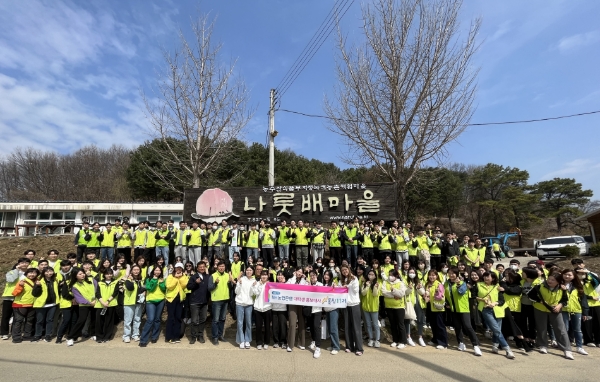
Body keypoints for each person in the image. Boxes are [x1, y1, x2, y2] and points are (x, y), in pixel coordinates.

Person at [527, 272, 573, 359]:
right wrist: (540, 302)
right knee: (542, 328)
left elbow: (565, 300)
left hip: (555, 310)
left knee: (560, 329)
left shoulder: (562, 288)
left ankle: (566, 349)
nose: (550, 281)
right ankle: (543, 345)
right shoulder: (539, 286)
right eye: (549, 279)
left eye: (553, 280)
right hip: (540, 309)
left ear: (558, 282)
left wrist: (559, 306)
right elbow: (530, 295)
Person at [473, 272, 515, 359]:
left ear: (493, 278)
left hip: (498, 310)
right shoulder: (478, 285)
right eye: (484, 276)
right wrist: (482, 299)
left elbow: (501, 300)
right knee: (496, 329)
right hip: (486, 310)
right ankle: (507, 349)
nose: (485, 278)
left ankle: (495, 346)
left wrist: (495, 303)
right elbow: (473, 296)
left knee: (497, 330)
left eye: (488, 277)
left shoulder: (497, 286)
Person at [445, 267, 482, 356]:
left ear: (457, 274)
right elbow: (445, 294)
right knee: (457, 327)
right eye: (449, 273)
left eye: (453, 273)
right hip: (453, 309)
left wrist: (458, 284)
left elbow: (461, 292)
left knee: (468, 326)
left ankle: (475, 345)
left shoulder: (463, 284)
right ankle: (461, 343)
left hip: (463, 309)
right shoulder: (446, 283)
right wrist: (447, 303)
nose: (451, 275)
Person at [65, 269, 98, 346]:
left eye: (83, 273)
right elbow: (79, 298)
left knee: (94, 319)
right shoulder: (74, 286)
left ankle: (93, 334)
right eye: (80, 274)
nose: (82, 275)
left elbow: (98, 290)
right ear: (75, 276)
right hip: (85, 304)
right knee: (81, 320)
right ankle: (71, 337)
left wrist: (96, 300)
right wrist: (89, 303)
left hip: (96, 302)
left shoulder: (91, 279)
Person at [561, 269, 588, 355]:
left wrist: (585, 312)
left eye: (569, 275)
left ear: (574, 276)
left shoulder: (578, 286)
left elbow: (583, 300)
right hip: (563, 309)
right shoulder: (558, 284)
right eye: (565, 274)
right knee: (565, 328)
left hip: (576, 309)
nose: (567, 276)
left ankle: (579, 347)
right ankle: (566, 346)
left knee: (577, 329)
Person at [2, 258, 31, 340]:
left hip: (21, 298)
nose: (24, 264)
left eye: (26, 263)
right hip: (9, 297)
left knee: (17, 316)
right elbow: (10, 280)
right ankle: (4, 333)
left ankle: (14, 332)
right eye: (22, 262)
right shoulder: (11, 272)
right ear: (18, 263)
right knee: (6, 316)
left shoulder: (29, 273)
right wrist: (16, 270)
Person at [139, 266, 166, 347]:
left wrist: (161, 283)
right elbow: (150, 288)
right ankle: (143, 340)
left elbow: (164, 289)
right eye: (156, 270)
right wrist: (154, 280)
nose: (157, 272)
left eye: (159, 270)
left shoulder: (163, 279)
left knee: (157, 319)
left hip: (160, 300)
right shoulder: (148, 279)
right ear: (153, 271)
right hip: (150, 301)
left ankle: (154, 337)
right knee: (150, 319)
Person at [11, 268, 40, 343]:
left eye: (34, 273)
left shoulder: (37, 281)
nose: (32, 274)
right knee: (18, 321)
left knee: (29, 321)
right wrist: (20, 286)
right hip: (20, 304)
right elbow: (14, 293)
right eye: (30, 273)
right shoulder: (22, 281)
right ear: (26, 274)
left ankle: (27, 335)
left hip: (32, 304)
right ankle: (16, 337)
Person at [340, 264, 363, 355]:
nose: (344, 271)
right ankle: (349, 346)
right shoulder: (343, 280)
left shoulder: (354, 279)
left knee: (356, 327)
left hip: (354, 305)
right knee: (347, 327)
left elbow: (356, 290)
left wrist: (348, 285)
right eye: (343, 270)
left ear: (349, 270)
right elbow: (339, 290)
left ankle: (359, 348)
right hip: (346, 305)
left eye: (346, 270)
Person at [31, 266, 59, 342]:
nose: (49, 273)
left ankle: (48, 335)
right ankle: (37, 335)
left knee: (50, 320)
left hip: (52, 304)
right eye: (46, 271)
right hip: (41, 304)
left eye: (50, 271)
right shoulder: (39, 280)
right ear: (43, 273)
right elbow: (35, 294)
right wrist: (37, 286)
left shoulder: (55, 280)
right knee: (39, 320)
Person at [381, 269, 407, 349]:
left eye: (392, 275)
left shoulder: (401, 283)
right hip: (389, 306)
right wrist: (394, 294)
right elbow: (384, 293)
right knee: (393, 324)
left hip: (399, 306)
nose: (390, 277)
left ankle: (403, 341)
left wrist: (393, 290)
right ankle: (395, 340)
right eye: (389, 275)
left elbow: (402, 294)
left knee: (400, 324)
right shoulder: (385, 282)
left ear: (396, 276)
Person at [186, 261, 210, 344]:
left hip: (204, 302)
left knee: (203, 320)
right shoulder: (193, 277)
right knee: (194, 320)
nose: (202, 268)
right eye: (200, 267)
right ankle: (193, 337)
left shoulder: (207, 277)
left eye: (203, 267)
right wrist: (195, 283)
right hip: (194, 302)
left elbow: (210, 288)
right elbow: (188, 287)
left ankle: (200, 336)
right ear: (197, 268)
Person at [165, 262, 189, 344]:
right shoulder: (170, 276)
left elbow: (184, 285)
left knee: (178, 317)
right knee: (171, 317)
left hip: (180, 299)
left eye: (180, 268)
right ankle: (169, 337)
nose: (178, 269)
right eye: (177, 268)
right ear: (174, 268)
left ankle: (176, 336)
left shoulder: (184, 276)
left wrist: (181, 277)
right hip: (171, 299)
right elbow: (169, 286)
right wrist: (175, 278)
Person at [208, 260, 230, 345]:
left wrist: (231, 283)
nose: (221, 268)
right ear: (217, 267)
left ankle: (220, 335)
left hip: (225, 300)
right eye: (220, 266)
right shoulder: (213, 276)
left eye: (223, 266)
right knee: (215, 320)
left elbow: (230, 287)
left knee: (222, 319)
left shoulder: (228, 275)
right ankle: (215, 337)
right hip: (216, 301)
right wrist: (215, 283)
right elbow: (209, 288)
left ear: (225, 267)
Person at [424, 269, 447, 349]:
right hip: (430, 307)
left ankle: (443, 343)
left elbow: (441, 297)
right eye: (430, 275)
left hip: (438, 308)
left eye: (433, 275)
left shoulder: (439, 285)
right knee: (433, 325)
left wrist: (436, 293)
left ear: (437, 276)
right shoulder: (428, 284)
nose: (431, 277)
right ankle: (435, 339)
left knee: (440, 325)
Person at [122, 264, 146, 343]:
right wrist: (129, 280)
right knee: (128, 320)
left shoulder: (141, 280)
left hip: (139, 303)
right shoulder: (127, 279)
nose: (136, 271)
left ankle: (136, 334)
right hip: (129, 303)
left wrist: (144, 292)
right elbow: (130, 288)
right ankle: (126, 335)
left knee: (137, 319)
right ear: (131, 271)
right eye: (134, 270)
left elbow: (144, 289)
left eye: (137, 270)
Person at [94, 268, 119, 343]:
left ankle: (107, 337)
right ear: (104, 275)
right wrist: (103, 302)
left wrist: (108, 301)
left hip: (111, 304)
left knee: (109, 321)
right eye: (107, 274)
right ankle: (99, 337)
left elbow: (115, 292)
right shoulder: (99, 283)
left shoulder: (115, 282)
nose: (109, 275)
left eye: (110, 273)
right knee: (99, 321)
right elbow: (97, 293)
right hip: (100, 304)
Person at [286, 267, 307, 352]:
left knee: (301, 323)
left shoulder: (304, 281)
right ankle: (290, 344)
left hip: (301, 303)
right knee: (292, 323)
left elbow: (304, 288)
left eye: (301, 272)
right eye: (298, 271)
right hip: (292, 303)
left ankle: (301, 343)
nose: (299, 273)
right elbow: (287, 286)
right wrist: (294, 277)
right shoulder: (291, 279)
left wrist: (303, 279)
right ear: (295, 271)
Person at [252, 270, 273, 350]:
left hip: (267, 307)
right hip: (258, 308)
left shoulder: (270, 284)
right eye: (262, 275)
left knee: (267, 326)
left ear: (268, 276)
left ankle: (266, 342)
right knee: (258, 326)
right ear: (260, 276)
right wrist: (259, 285)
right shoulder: (256, 283)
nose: (264, 276)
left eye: (265, 275)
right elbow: (255, 293)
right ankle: (259, 342)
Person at [235, 266, 255, 349]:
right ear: (245, 271)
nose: (249, 271)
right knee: (240, 323)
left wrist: (253, 287)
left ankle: (247, 340)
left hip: (249, 304)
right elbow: (236, 292)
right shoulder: (241, 279)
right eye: (247, 270)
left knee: (248, 323)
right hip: (239, 303)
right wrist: (239, 284)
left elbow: (253, 295)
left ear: (252, 271)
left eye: (250, 270)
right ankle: (241, 340)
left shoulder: (254, 281)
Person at [305, 270, 323, 358]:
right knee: (311, 327)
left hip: (317, 309)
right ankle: (314, 340)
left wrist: (310, 287)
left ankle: (318, 347)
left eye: (313, 275)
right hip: (309, 309)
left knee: (316, 326)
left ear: (316, 275)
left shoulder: (320, 284)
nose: (312, 277)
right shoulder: (307, 284)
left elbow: (320, 294)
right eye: (310, 275)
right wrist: (308, 286)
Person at [361, 268, 381, 348]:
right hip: (366, 307)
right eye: (369, 274)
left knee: (375, 324)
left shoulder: (378, 283)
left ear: (375, 276)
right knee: (368, 324)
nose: (370, 276)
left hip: (374, 307)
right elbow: (363, 293)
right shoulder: (365, 283)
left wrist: (375, 287)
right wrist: (367, 286)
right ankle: (371, 339)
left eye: (372, 274)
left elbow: (375, 294)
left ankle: (377, 340)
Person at [272, 271, 288, 349]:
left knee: (283, 325)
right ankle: (276, 341)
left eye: (281, 275)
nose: (280, 276)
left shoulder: (287, 285)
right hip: (274, 308)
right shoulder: (273, 285)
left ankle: (283, 341)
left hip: (283, 308)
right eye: (278, 275)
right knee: (275, 326)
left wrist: (284, 283)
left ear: (284, 277)